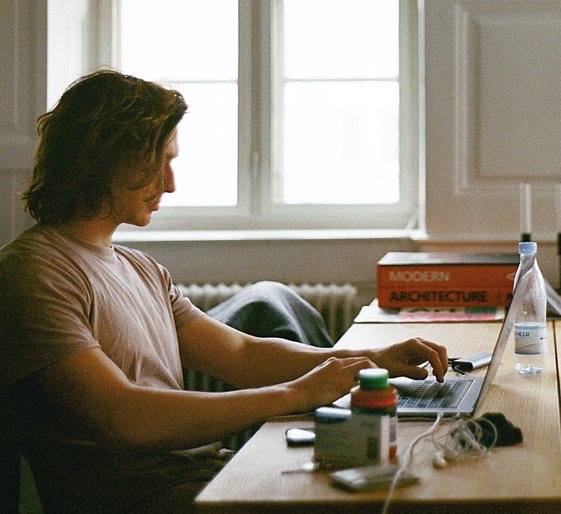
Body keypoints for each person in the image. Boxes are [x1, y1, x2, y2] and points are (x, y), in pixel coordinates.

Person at [0, 70, 448, 513]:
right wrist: (298, 394)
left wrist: (369, 361)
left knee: (413, 481)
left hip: (203, 477)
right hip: (145, 500)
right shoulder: (34, 273)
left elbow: (241, 355)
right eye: (159, 162)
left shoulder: (141, 268)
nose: (170, 184)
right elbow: (125, 418)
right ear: (104, 160)